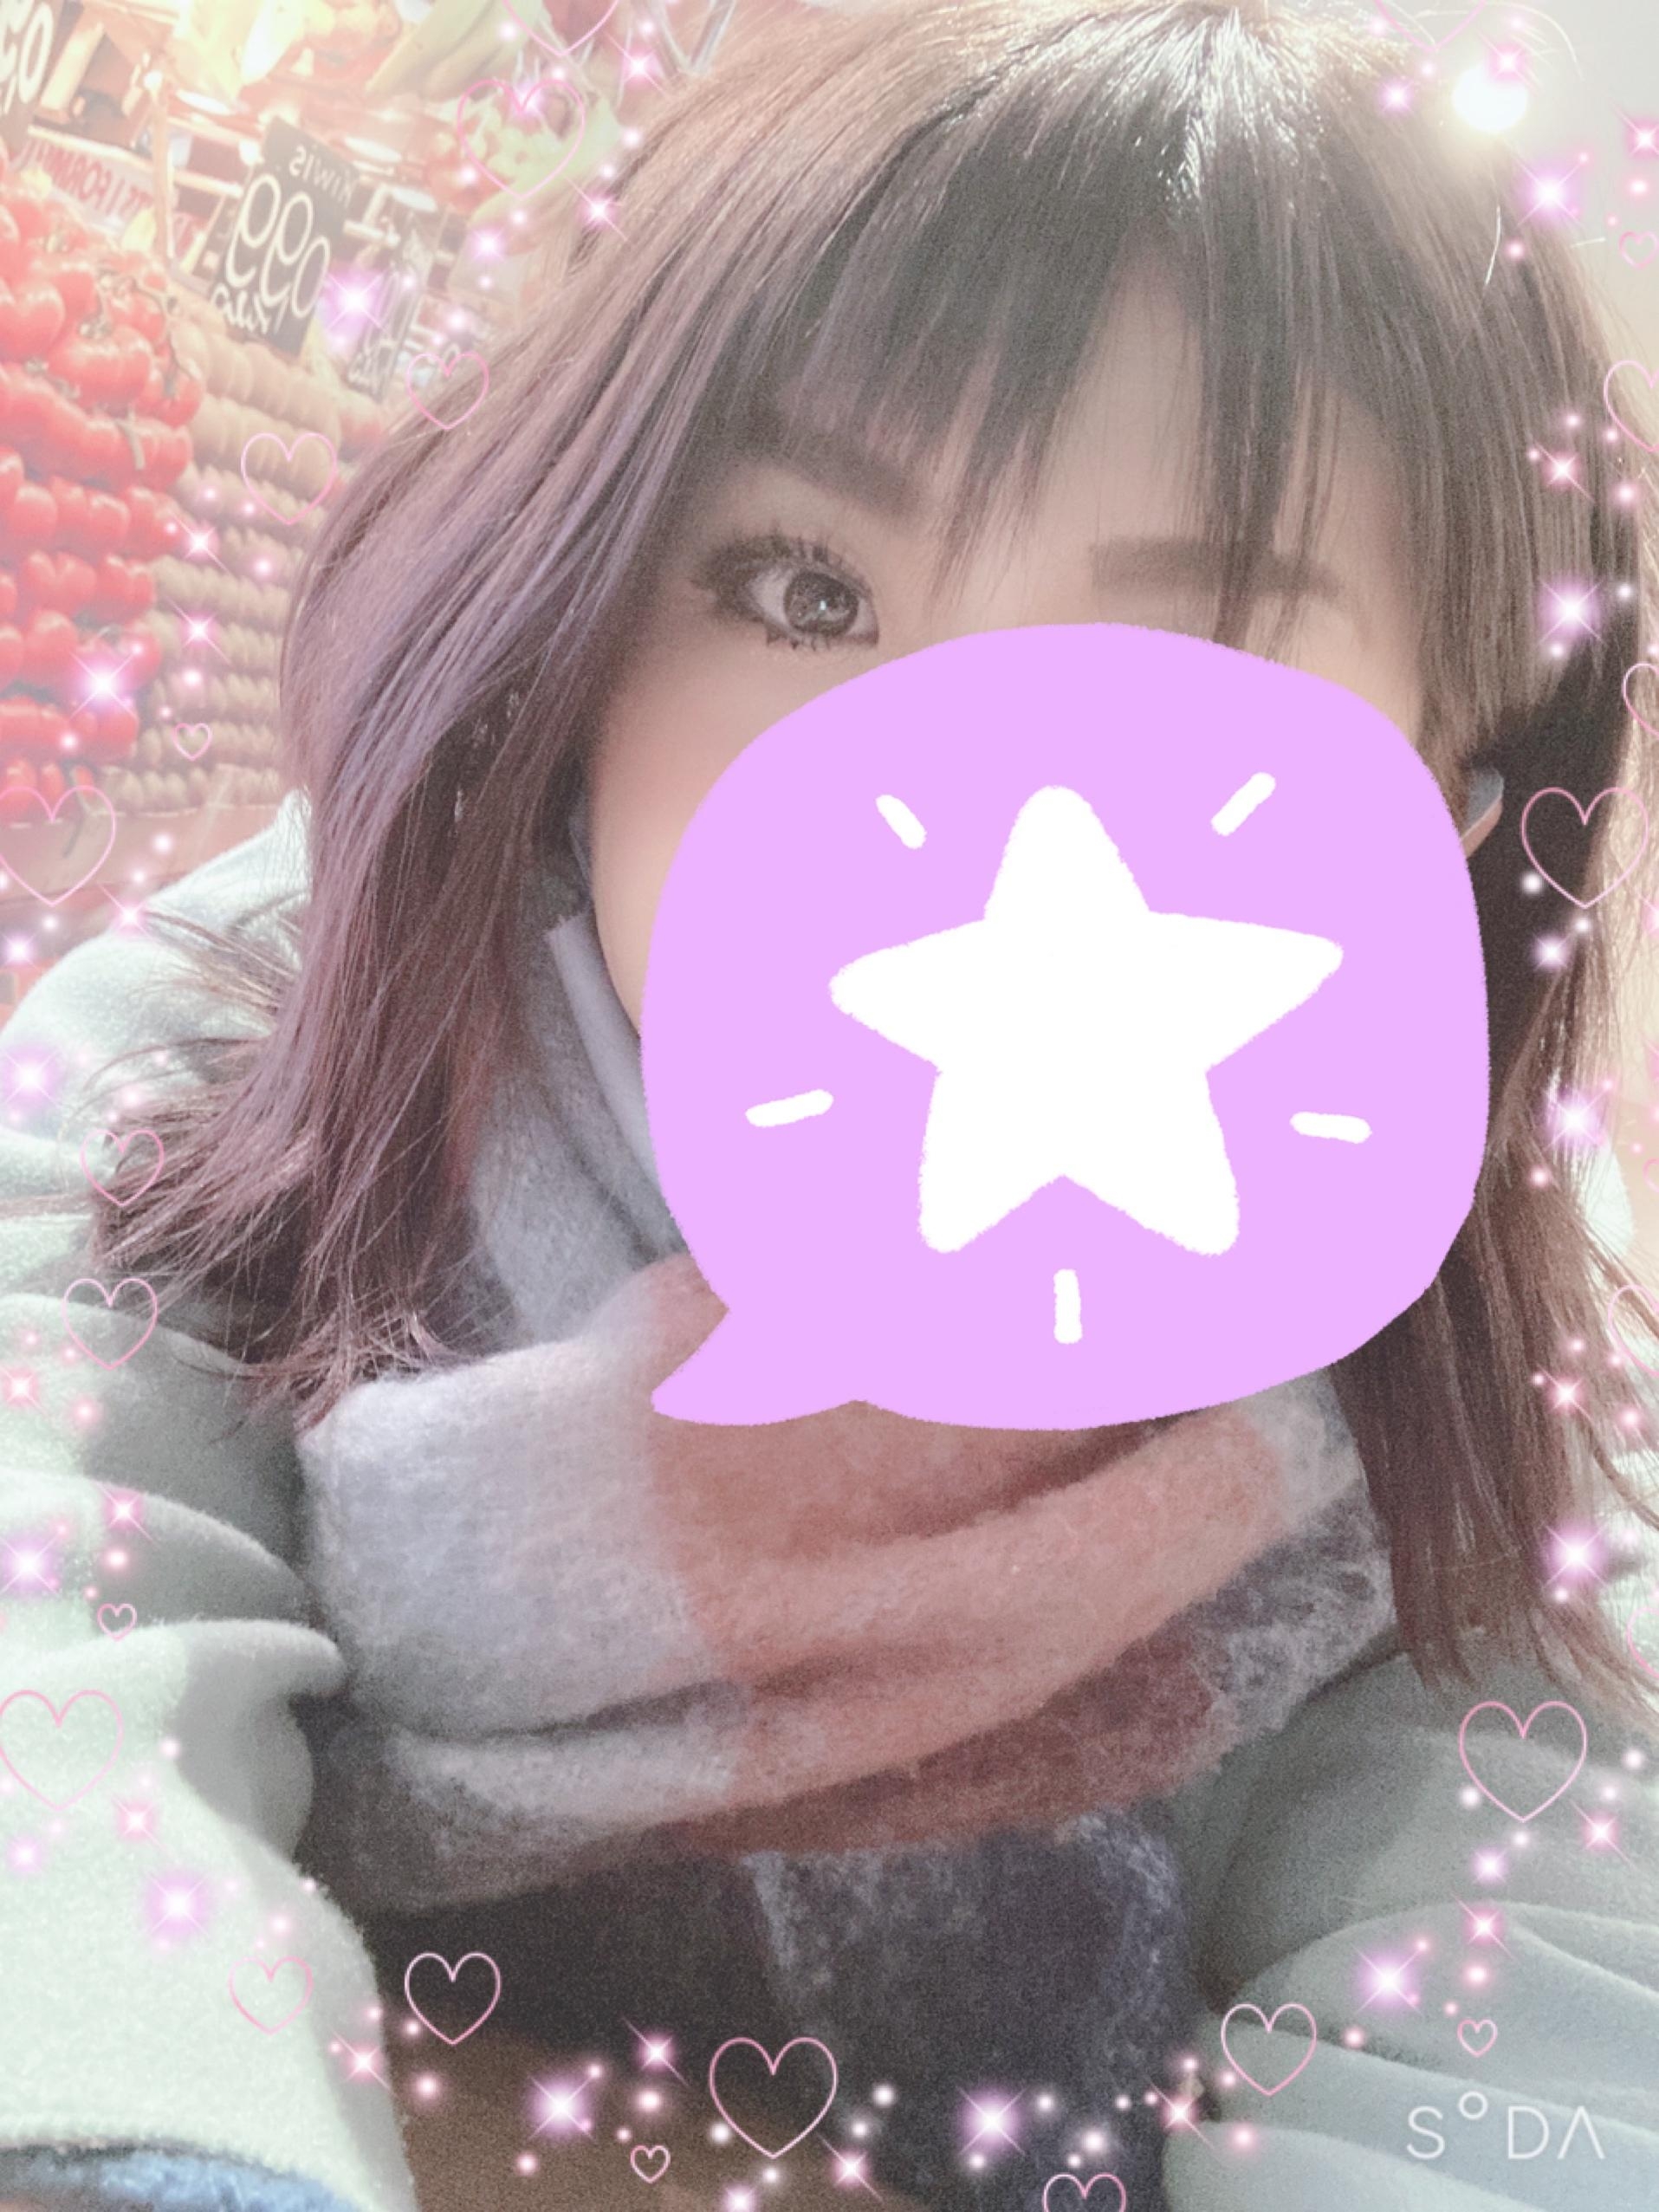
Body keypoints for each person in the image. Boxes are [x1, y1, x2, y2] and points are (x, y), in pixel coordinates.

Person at [4, 2, 1659, 2208]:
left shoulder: (1478, 1388)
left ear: (1443, 804)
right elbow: (54, 1621)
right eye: (804, 590)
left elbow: (1536, 2017)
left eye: (1182, 662)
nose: (940, 801)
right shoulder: (274, 1019)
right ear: (592, 626)